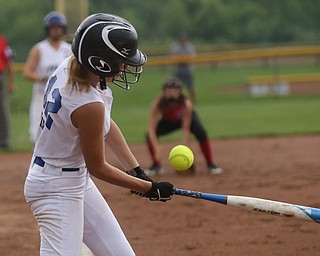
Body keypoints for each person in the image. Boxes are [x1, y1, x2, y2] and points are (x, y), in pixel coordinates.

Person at [24, 13, 174, 256]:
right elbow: (99, 167)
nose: (125, 67)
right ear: (100, 62)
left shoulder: (72, 67)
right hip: (55, 189)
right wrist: (147, 188)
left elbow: (106, 124)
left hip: (74, 179)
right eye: (121, 61)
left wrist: (136, 170)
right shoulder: (87, 103)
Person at [146, 77, 223, 175]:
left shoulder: (186, 103)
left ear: (179, 92)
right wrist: (156, 147)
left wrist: (186, 150)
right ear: (164, 92)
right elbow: (151, 128)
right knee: (149, 136)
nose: (171, 93)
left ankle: (210, 164)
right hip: (169, 121)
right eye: (168, 90)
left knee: (201, 133)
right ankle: (156, 166)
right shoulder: (158, 104)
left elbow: (185, 129)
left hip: (187, 119)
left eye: (174, 90)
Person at [23, 11, 72, 144]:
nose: (56, 30)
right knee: (37, 135)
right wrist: (43, 78)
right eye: (53, 27)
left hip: (64, 97)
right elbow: (27, 72)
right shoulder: (39, 49)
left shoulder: (69, 50)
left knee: (64, 135)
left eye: (58, 27)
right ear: (47, 29)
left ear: (63, 28)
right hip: (42, 96)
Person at [170, 32, 196, 102]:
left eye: (184, 40)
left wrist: (184, 59)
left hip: (187, 70)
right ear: (179, 40)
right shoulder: (176, 47)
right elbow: (173, 56)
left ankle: (193, 101)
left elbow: (192, 57)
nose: (183, 41)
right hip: (178, 70)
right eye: (181, 40)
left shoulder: (190, 47)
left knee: (190, 87)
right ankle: (177, 101)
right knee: (176, 87)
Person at [0, 34, 16, 150]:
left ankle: (4, 141)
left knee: (2, 110)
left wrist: (11, 82)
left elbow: (9, 62)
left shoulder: (1, 40)